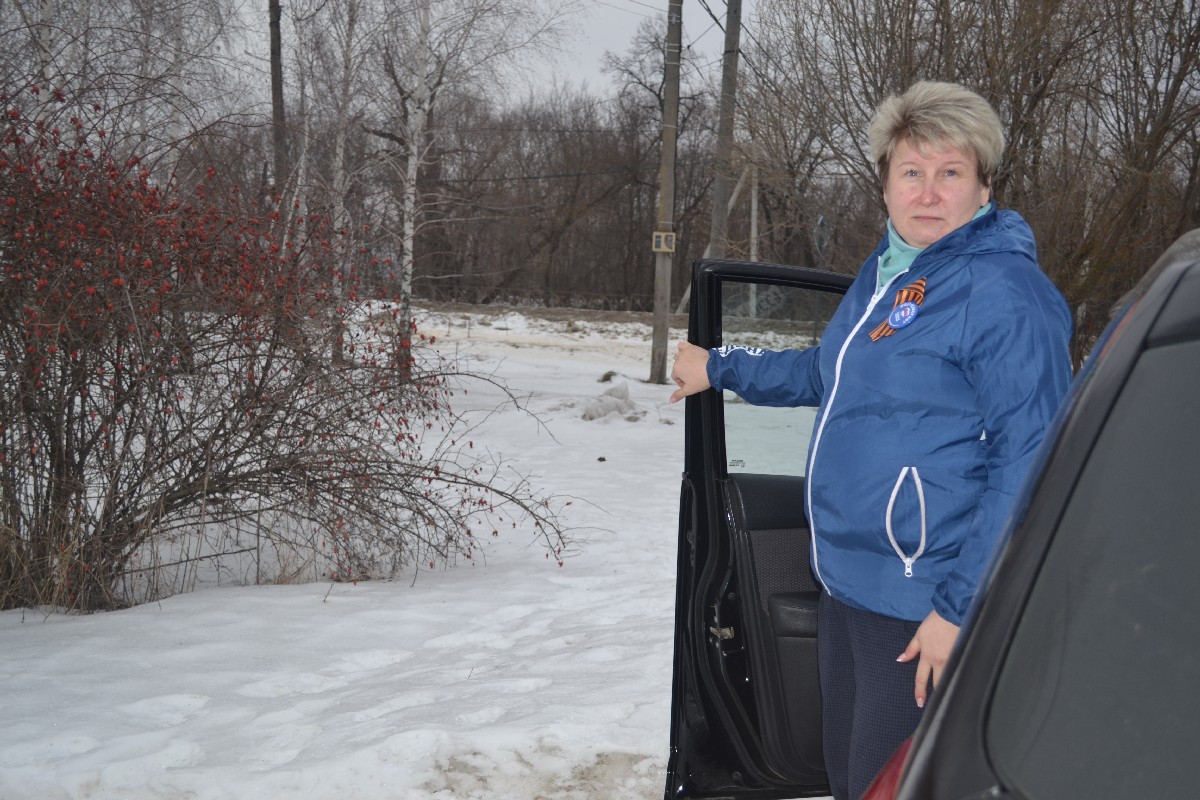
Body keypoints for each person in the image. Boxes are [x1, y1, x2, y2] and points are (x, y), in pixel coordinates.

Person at [669, 81, 1073, 800]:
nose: (928, 192)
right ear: (884, 186)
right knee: (850, 775)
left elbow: (1032, 460)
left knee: (895, 785)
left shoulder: (1005, 291)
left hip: (922, 597)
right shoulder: (887, 277)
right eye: (910, 172)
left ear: (984, 187)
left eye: (951, 172)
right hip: (848, 585)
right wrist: (719, 367)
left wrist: (957, 610)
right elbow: (828, 371)